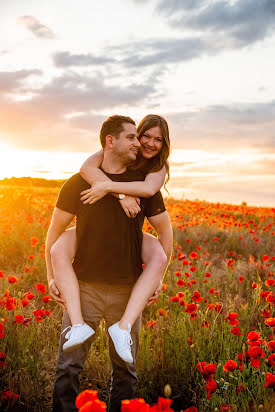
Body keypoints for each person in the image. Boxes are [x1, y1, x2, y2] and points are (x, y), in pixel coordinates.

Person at [46, 115, 173, 412]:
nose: (140, 143)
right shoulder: (80, 181)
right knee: (68, 368)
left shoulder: (143, 183)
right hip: (83, 288)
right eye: (132, 137)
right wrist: (51, 276)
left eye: (141, 138)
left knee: (126, 373)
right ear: (110, 141)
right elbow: (54, 233)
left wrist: (158, 279)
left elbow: (165, 232)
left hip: (126, 290)